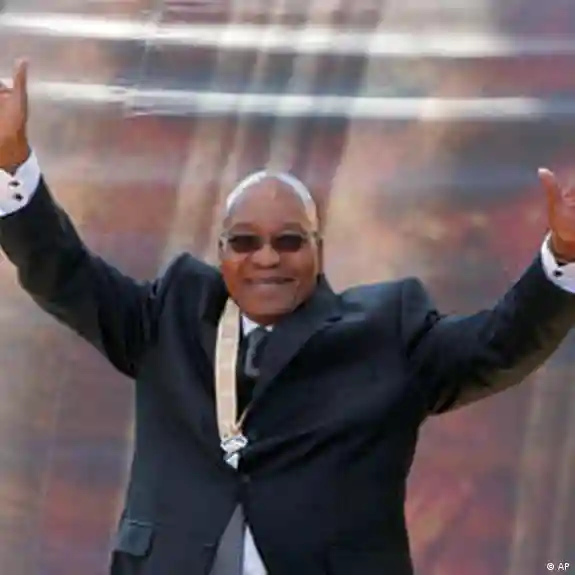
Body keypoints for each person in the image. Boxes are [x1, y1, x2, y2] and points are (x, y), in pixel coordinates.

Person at [0, 60, 575, 575]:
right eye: (245, 242)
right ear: (221, 252)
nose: (267, 258)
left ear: (318, 250)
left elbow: (500, 344)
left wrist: (565, 254)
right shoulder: (170, 315)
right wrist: (12, 162)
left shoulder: (385, 332)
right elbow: (62, 271)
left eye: (289, 241)